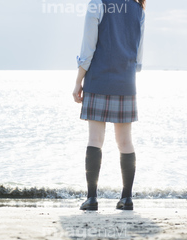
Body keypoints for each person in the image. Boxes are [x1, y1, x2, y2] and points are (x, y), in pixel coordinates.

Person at [72, 0, 146, 211]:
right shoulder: (138, 8)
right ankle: (126, 199)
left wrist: (78, 81)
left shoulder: (98, 3)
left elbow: (88, 47)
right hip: (126, 81)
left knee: (95, 139)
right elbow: (138, 55)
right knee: (125, 142)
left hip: (98, 80)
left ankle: (92, 199)